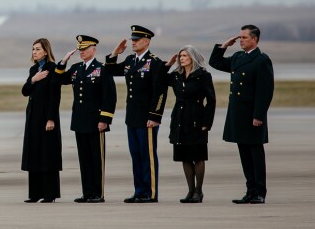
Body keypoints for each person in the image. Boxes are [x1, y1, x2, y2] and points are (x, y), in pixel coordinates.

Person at [209, 24, 274, 204]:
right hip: (238, 115)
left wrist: (258, 116)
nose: (241, 40)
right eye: (240, 37)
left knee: (255, 154)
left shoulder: (261, 60)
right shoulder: (238, 57)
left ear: (255, 39)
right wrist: (223, 47)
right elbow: (215, 63)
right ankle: (250, 191)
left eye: (244, 37)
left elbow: (265, 92)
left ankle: (260, 192)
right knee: (244, 155)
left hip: (252, 115)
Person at [105, 25, 167, 203]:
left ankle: (151, 192)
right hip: (132, 117)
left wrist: (155, 116)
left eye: (137, 40)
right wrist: (114, 54)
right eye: (132, 40)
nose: (133, 42)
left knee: (147, 156)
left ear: (147, 41)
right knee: (136, 155)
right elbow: (109, 71)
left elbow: (160, 92)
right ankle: (139, 191)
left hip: (147, 118)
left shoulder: (155, 62)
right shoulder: (130, 60)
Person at [56, 35, 116, 203]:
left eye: (84, 49)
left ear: (93, 49)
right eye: (80, 49)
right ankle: (87, 192)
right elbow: (60, 79)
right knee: (84, 159)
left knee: (97, 159)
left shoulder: (102, 69)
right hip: (80, 121)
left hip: (96, 121)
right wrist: (63, 62)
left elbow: (109, 97)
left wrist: (104, 119)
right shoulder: (76, 68)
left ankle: (98, 193)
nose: (82, 52)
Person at [164, 45, 216, 203]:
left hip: (197, 119)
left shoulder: (203, 76)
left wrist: (206, 122)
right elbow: (158, 78)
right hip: (180, 118)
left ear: (192, 58)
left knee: (198, 156)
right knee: (184, 156)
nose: (181, 59)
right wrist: (167, 64)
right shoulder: (176, 75)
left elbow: (211, 100)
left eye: (185, 56)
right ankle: (190, 191)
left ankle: (199, 192)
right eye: (180, 56)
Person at [20, 38, 62, 203]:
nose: (34, 52)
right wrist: (33, 79)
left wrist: (51, 118)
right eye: (33, 49)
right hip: (33, 118)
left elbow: (54, 96)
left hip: (46, 118)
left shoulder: (53, 69)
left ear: (46, 51)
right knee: (34, 153)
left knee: (47, 154)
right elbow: (24, 91)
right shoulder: (33, 70)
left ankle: (50, 194)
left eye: (38, 49)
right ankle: (35, 193)